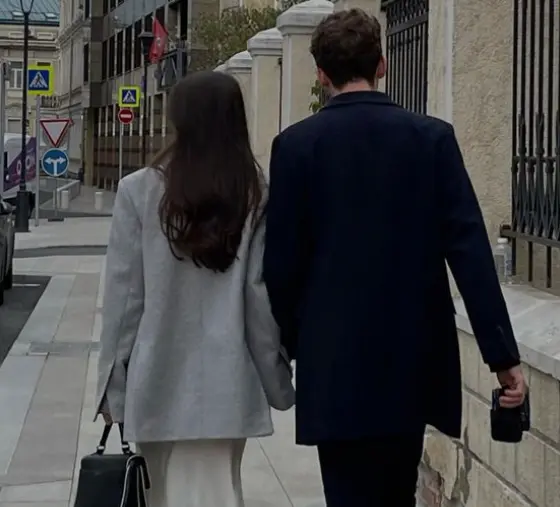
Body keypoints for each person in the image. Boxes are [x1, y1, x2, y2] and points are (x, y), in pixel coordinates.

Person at [263, 8, 526, 507]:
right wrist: (503, 356)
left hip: (333, 361)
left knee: (344, 491)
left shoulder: (295, 148)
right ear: (382, 64)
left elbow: (280, 266)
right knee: (397, 490)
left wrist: (297, 340)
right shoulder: (431, 139)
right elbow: (470, 252)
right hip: (411, 358)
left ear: (320, 74)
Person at [96, 70, 294, 507]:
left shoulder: (138, 190)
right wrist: (277, 378)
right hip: (227, 382)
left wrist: (113, 389)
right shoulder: (254, 193)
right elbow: (258, 299)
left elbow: (124, 302)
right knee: (218, 493)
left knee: (162, 496)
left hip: (156, 379)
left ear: (179, 120)